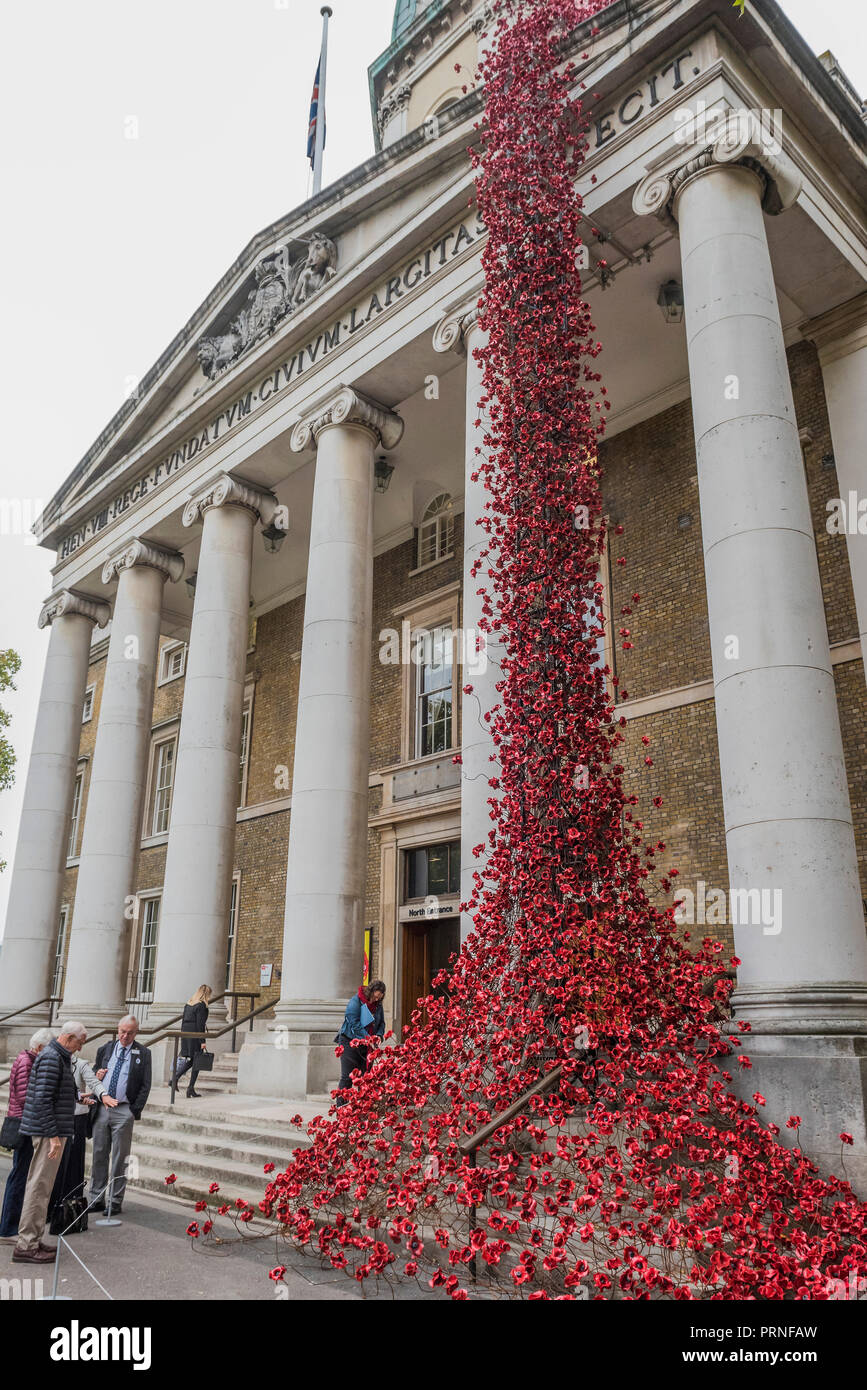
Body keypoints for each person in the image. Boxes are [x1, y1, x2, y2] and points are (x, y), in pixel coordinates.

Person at [13, 1021, 85, 1264]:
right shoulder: (53, 1057)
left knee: (42, 1188)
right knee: (38, 1187)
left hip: (51, 1130)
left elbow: (54, 1092)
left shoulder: (58, 1056)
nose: (80, 1048)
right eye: (79, 1042)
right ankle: (26, 1244)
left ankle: (32, 1239)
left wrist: (78, 1097)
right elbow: (42, 1100)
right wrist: (54, 1137)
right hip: (47, 1133)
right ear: (68, 1038)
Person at [89, 1015, 151, 1215]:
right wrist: (96, 1074)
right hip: (102, 1107)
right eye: (122, 1031)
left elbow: (145, 1085)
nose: (125, 1036)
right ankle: (96, 1198)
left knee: (120, 1157)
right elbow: (94, 1073)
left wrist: (133, 1110)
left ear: (136, 1032)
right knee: (99, 1153)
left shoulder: (143, 1053)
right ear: (117, 1030)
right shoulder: (105, 1049)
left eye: (130, 1032)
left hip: (124, 1109)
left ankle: (114, 1201)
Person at [48, 1054, 118, 1226]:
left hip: (77, 1118)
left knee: (74, 1165)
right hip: (60, 1119)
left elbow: (91, 1083)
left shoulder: (80, 1064)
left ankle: (71, 1209)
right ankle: (53, 1208)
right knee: (58, 1167)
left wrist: (101, 1093)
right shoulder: (54, 1063)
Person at [0, 1028, 54, 1243]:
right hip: (24, 1124)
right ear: (39, 1047)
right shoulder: (27, 1062)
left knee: (22, 1175)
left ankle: (10, 1225)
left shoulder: (28, 1059)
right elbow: (25, 1096)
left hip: (24, 1122)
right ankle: (8, 1228)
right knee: (20, 1175)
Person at [335, 981, 386, 1105]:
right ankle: (341, 1108)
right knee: (348, 1077)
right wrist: (368, 1038)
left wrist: (379, 1036)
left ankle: (362, 1108)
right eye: (375, 996)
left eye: (379, 997)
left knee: (366, 1077)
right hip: (350, 1041)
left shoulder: (378, 1006)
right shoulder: (356, 1001)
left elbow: (381, 1023)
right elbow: (354, 1022)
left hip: (368, 1045)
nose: (376, 999)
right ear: (370, 992)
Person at [172, 985, 212, 1098]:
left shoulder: (188, 1004)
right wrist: (202, 1040)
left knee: (194, 1059)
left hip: (186, 1033)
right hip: (195, 1034)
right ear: (206, 994)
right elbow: (200, 1024)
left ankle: (176, 1080)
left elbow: (183, 1021)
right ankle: (189, 1088)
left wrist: (182, 1036)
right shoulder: (201, 1005)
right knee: (197, 1060)